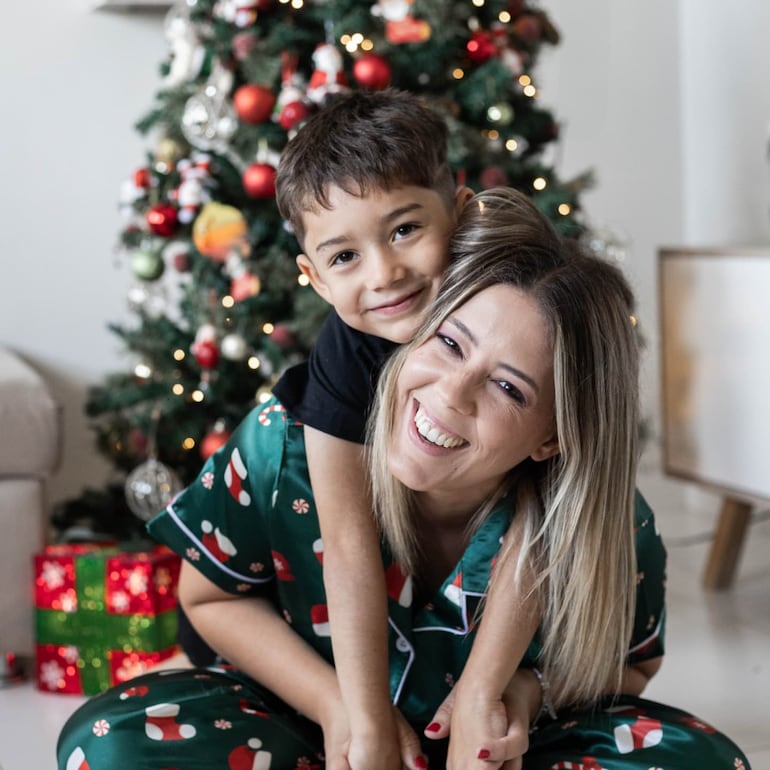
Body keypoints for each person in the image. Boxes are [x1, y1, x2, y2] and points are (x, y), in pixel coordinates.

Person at [56, 188, 751, 770]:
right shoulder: (285, 448)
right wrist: (339, 711)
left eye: (508, 388)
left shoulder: (605, 520)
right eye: (449, 343)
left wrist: (523, 693)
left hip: (501, 753)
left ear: (553, 437)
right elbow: (207, 601)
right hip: (306, 731)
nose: (451, 394)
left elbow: (629, 669)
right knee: (112, 745)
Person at [271, 88, 541, 769]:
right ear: (314, 278)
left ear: (459, 212)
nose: (385, 274)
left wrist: (484, 689)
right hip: (352, 581)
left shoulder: (513, 305)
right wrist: (364, 722)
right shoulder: (345, 352)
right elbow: (347, 539)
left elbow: (544, 512)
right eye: (343, 258)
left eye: (403, 230)